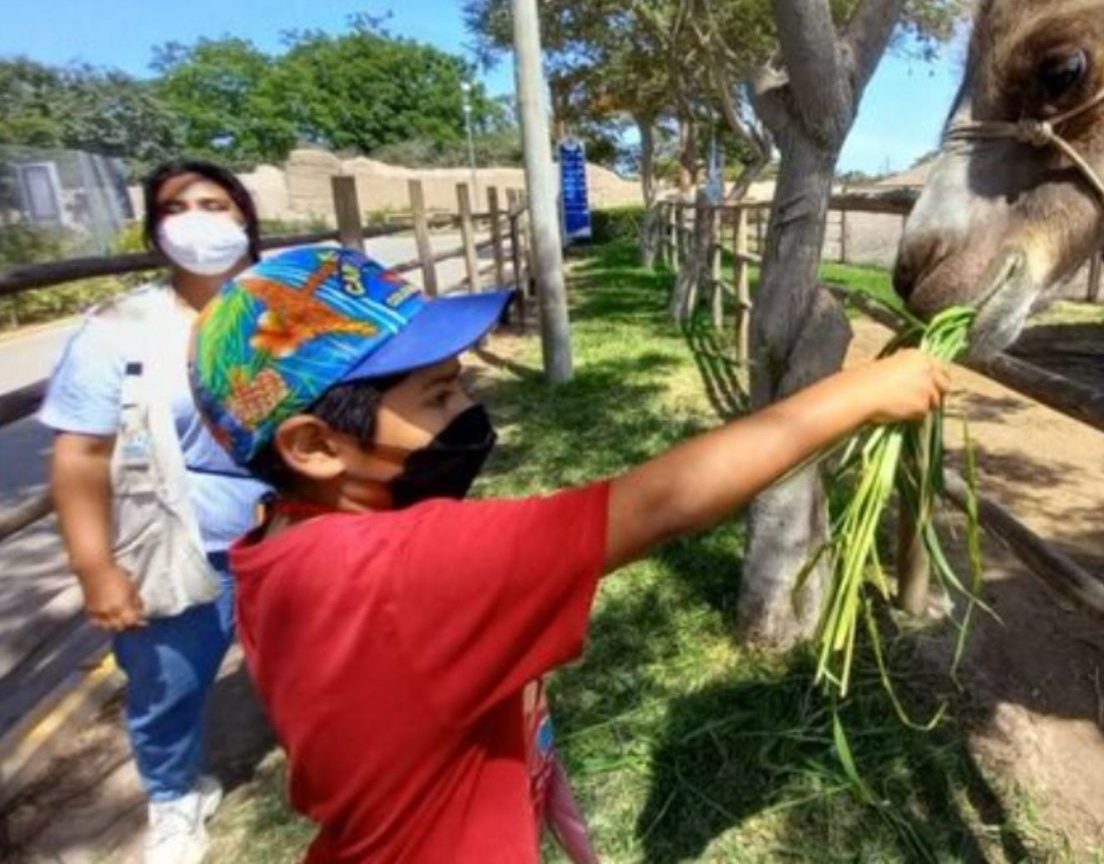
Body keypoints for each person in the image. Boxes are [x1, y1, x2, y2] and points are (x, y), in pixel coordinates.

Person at [187, 246, 948, 863]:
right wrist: (862, 394)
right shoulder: (400, 572)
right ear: (315, 446)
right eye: (440, 396)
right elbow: (659, 505)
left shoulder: (281, 545)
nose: (471, 411)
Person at [43, 160, 271, 864]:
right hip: (173, 543)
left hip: (284, 529)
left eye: (217, 203)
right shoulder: (120, 330)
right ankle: (174, 796)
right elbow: (80, 456)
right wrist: (95, 567)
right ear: (154, 230)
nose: (200, 218)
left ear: (244, 221)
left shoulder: (280, 311)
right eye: (178, 207)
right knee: (166, 686)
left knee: (303, 657)